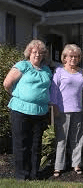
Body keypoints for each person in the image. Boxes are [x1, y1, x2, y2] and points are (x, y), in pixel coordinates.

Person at [3, 39, 52, 180]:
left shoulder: (46, 70)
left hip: (40, 111)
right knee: (21, 144)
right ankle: (22, 176)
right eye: (34, 51)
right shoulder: (22, 66)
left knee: (36, 144)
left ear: (43, 55)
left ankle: (34, 174)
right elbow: (7, 83)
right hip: (20, 110)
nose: (37, 54)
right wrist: (18, 95)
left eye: (40, 52)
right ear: (29, 52)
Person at [50, 44, 83, 177]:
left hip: (78, 109)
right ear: (65, 57)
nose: (73, 59)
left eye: (76, 56)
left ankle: (76, 164)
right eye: (70, 56)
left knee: (77, 139)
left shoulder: (81, 71)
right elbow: (53, 90)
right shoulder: (59, 71)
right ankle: (58, 166)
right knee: (61, 139)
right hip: (62, 110)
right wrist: (55, 107)